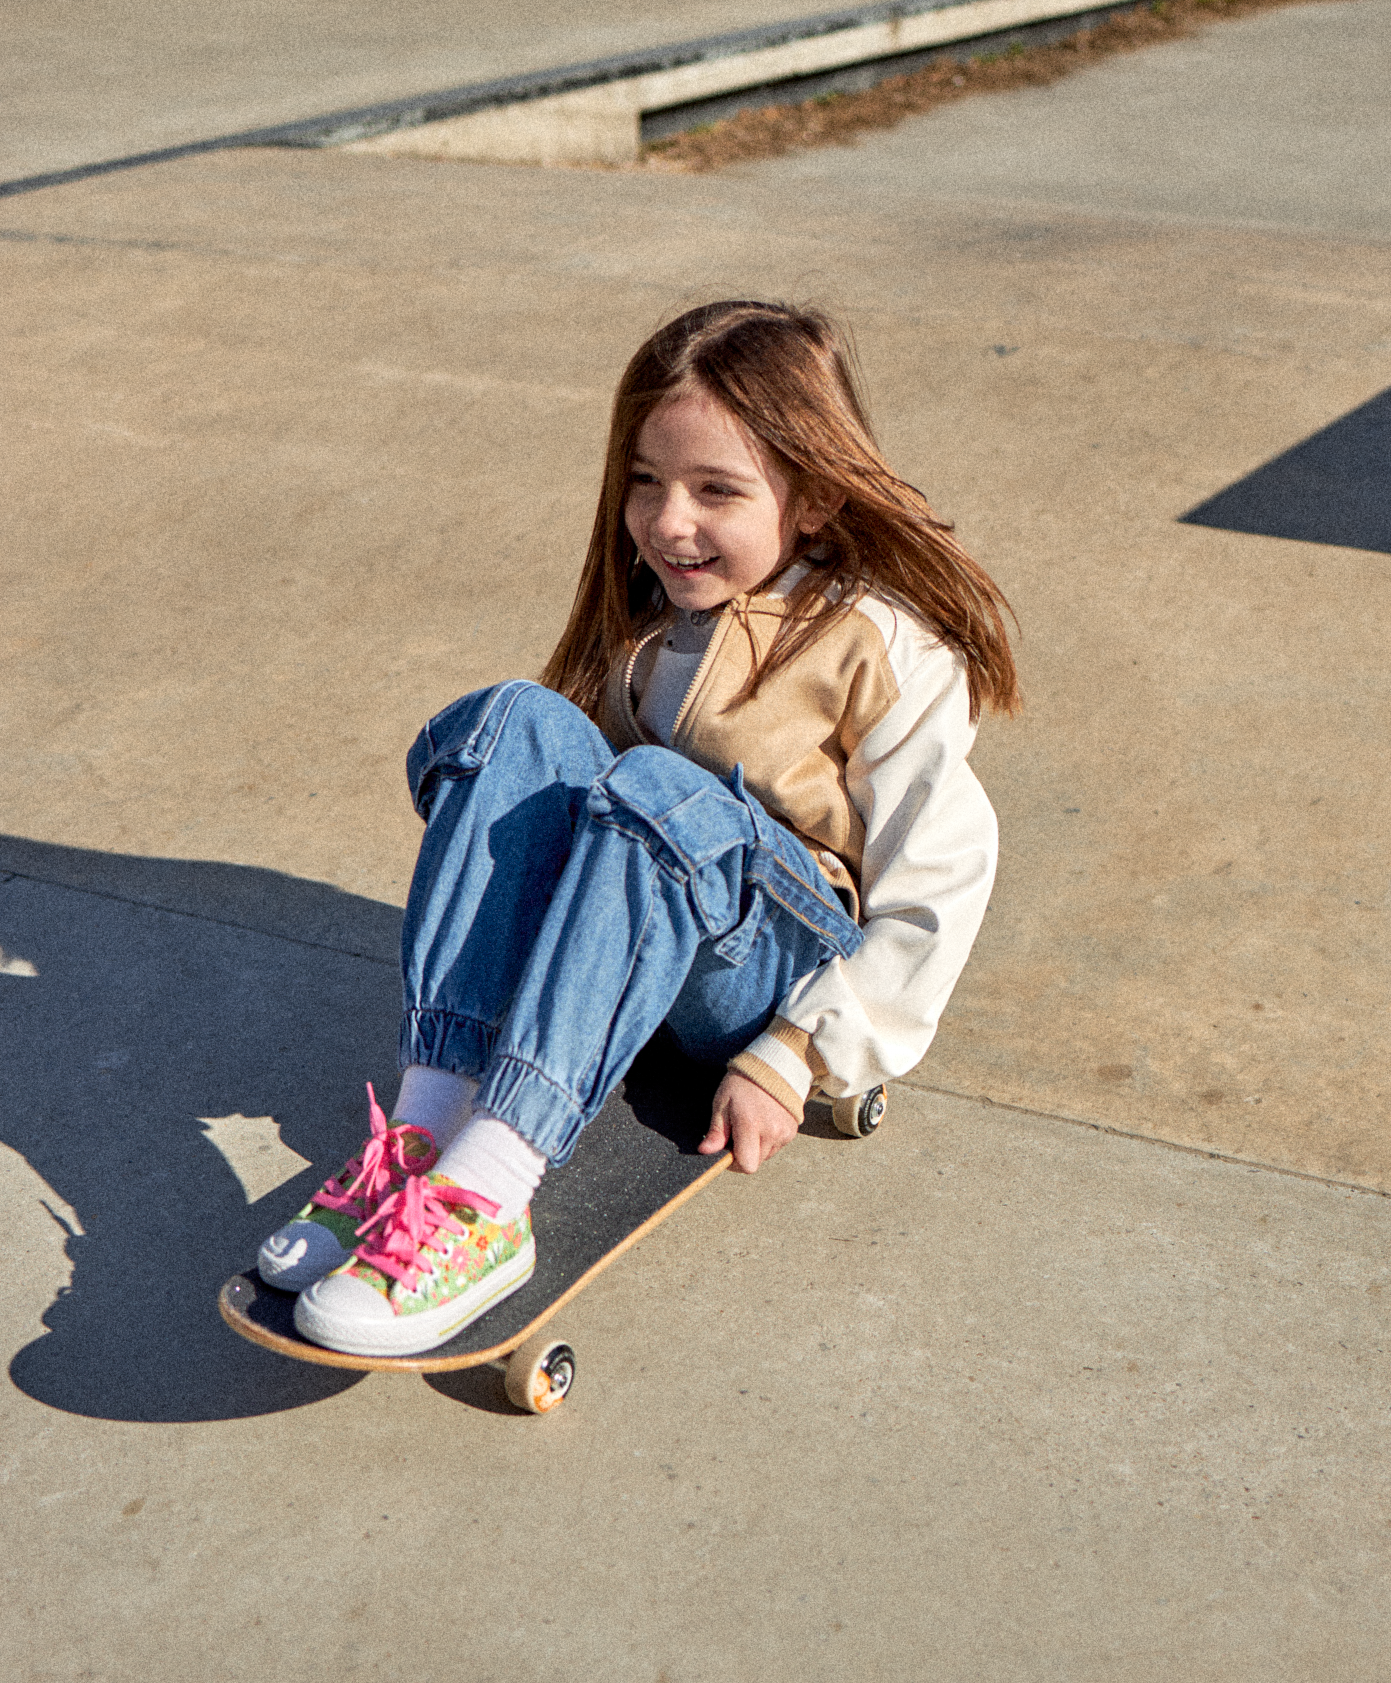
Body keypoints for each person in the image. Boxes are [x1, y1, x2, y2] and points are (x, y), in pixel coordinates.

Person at [256, 299, 1019, 1358]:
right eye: (647, 482)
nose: (669, 521)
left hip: (765, 976)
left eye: (718, 491)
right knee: (515, 718)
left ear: (814, 497)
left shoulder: (877, 644)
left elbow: (943, 875)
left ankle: (489, 1196)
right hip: (629, 952)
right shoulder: (655, 617)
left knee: (659, 788)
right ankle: (432, 1122)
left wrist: (796, 1057)